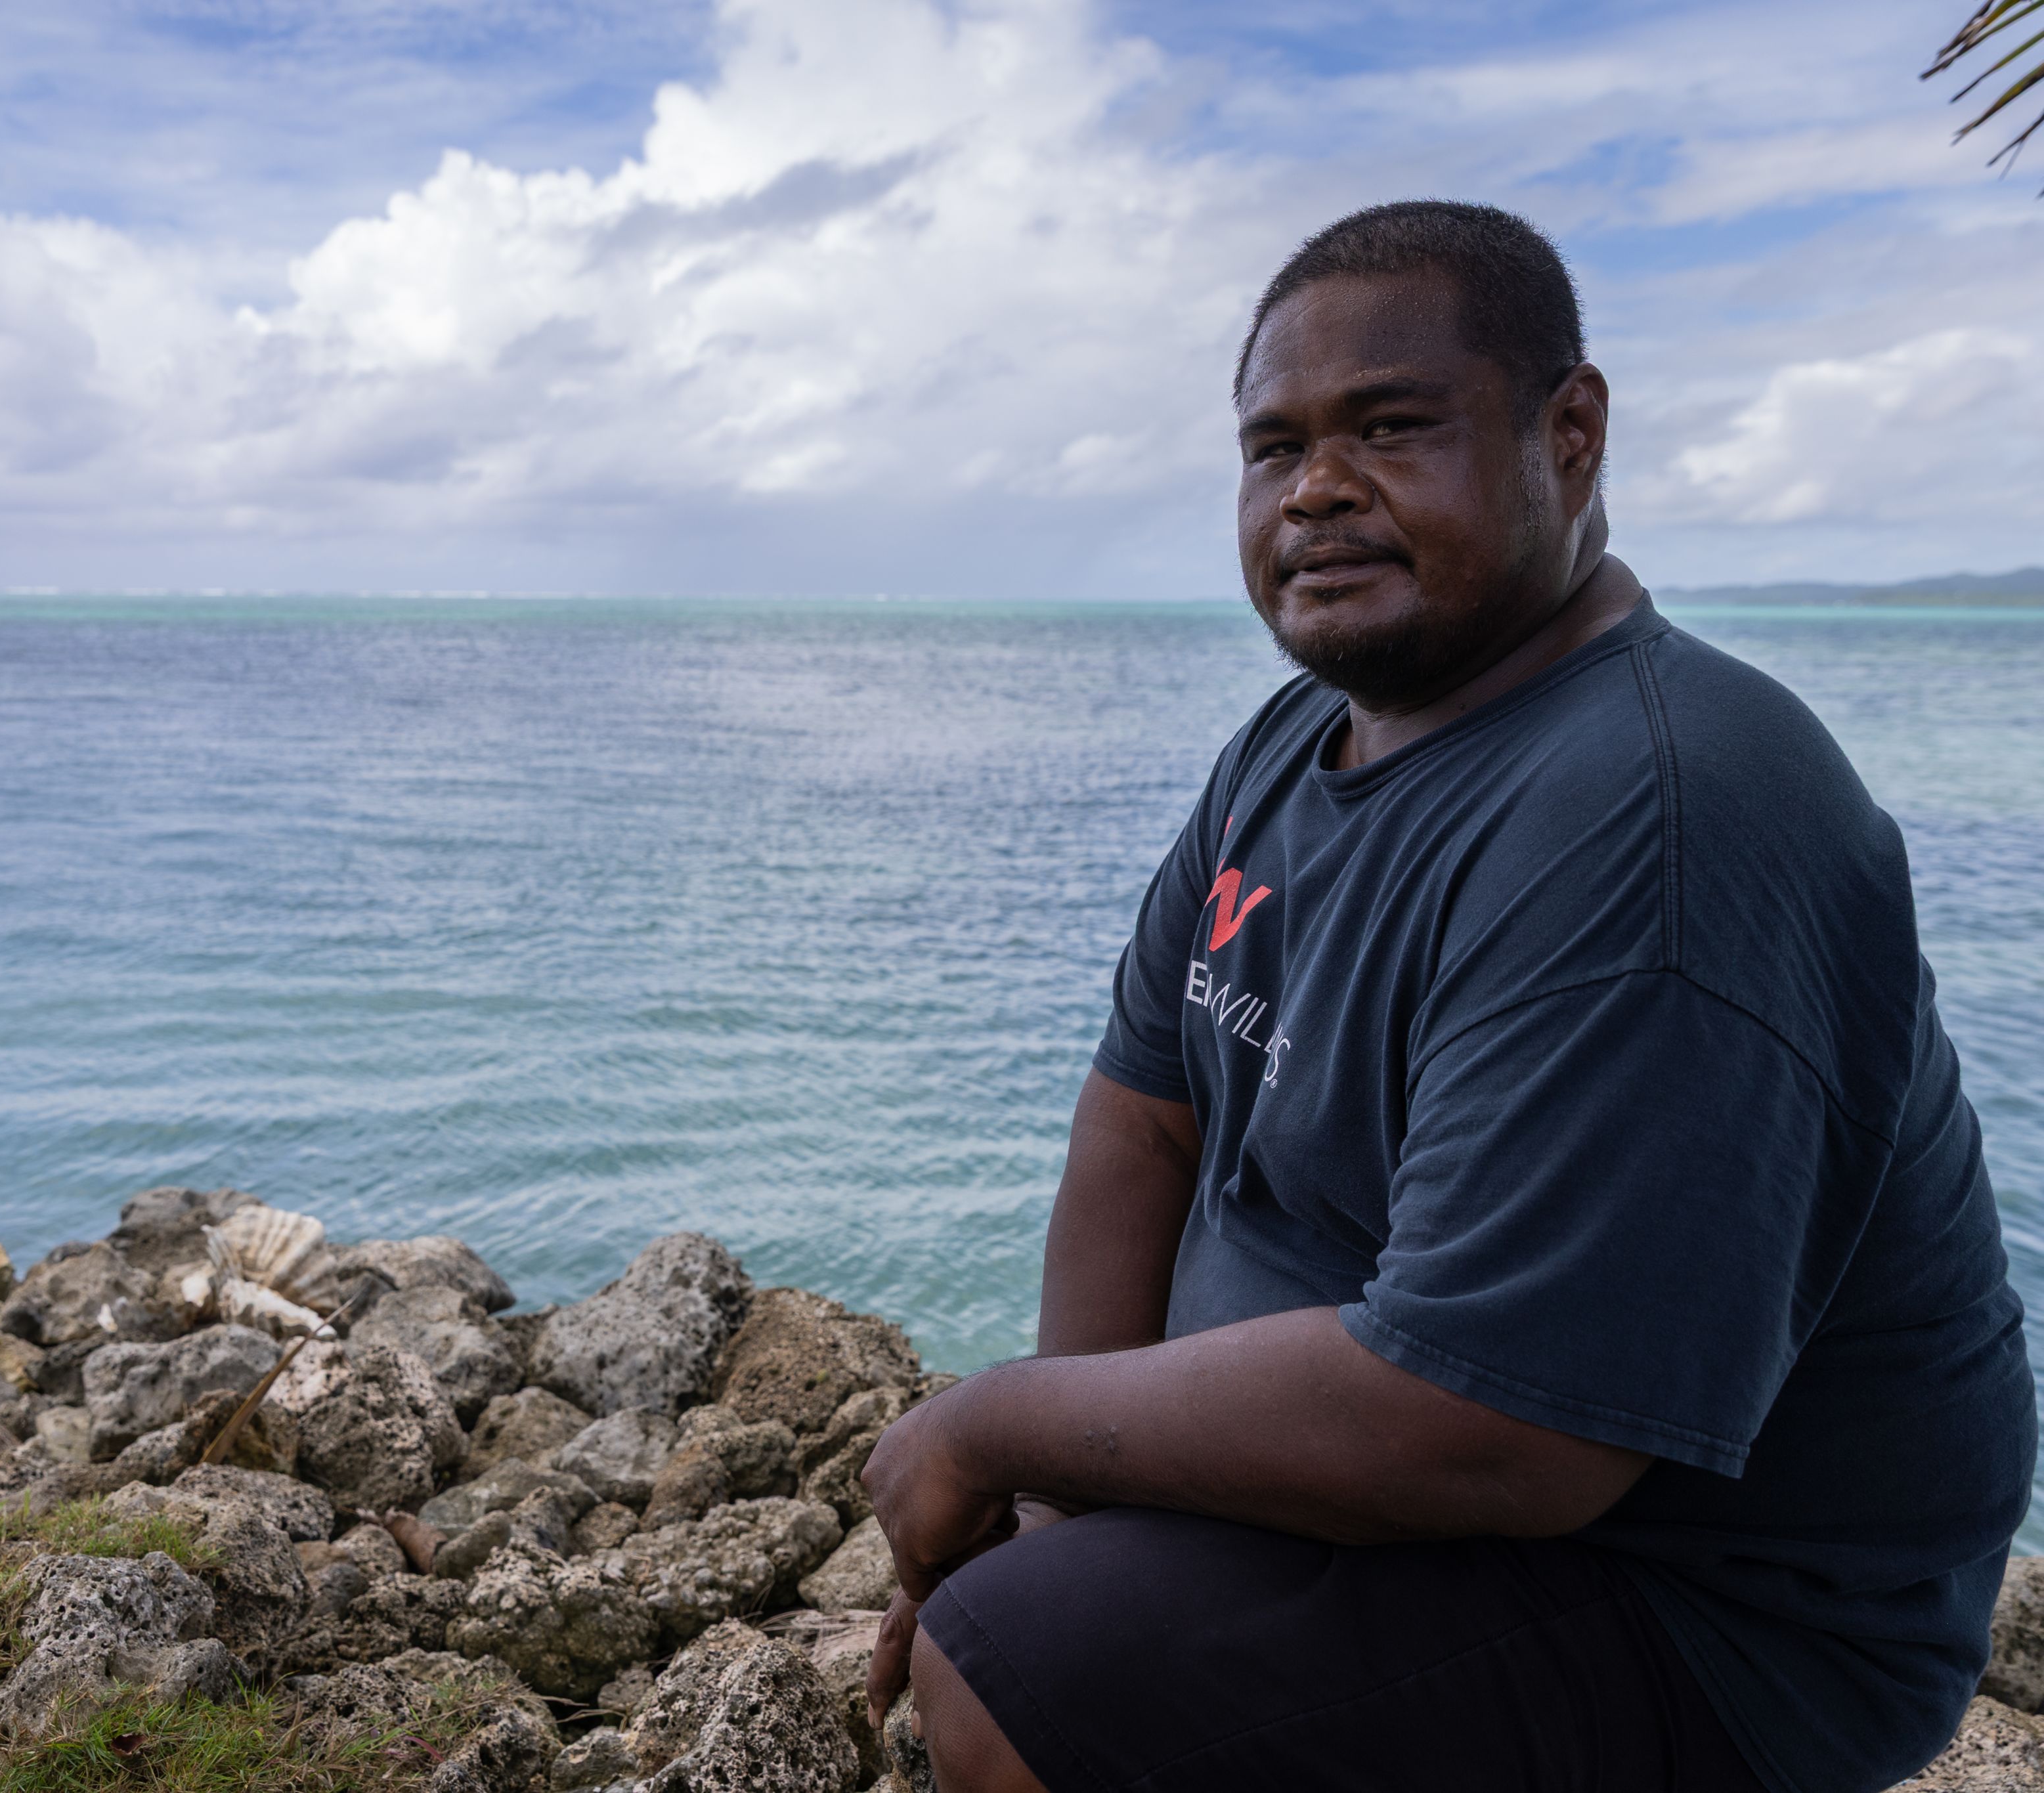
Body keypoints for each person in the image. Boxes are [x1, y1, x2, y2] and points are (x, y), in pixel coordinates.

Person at [858, 200, 2035, 1793]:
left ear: (1569, 433)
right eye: (1270, 449)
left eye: (1391, 427)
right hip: (1407, 1487)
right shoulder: (1291, 744)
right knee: (1034, 1607)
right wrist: (1072, 1513)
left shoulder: (1663, 808)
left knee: (1017, 1680)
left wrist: (998, 1428)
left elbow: (1502, 1426)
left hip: (1714, 1605)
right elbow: (1141, 1124)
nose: (1317, 487)